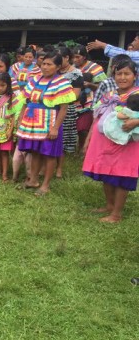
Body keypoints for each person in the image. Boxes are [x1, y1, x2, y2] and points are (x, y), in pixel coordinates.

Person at [82, 59, 139, 222]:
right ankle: (109, 205)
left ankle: (117, 214)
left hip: (127, 145)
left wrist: (136, 121)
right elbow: (97, 116)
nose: (122, 77)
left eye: (126, 74)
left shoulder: (137, 94)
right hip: (103, 141)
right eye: (118, 74)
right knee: (106, 172)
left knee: (122, 175)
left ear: (134, 76)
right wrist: (88, 140)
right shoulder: (109, 95)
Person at [16, 51, 76, 196]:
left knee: (49, 154)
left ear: (57, 67)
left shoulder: (61, 83)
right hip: (33, 123)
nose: (45, 67)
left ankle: (45, 185)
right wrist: (20, 120)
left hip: (50, 123)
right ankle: (33, 180)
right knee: (36, 151)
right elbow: (25, 102)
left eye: (49, 64)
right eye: (43, 63)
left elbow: (63, 108)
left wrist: (55, 128)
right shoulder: (34, 80)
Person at [56, 46, 84, 176]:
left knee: (62, 139)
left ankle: (59, 169)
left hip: (66, 109)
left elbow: (75, 95)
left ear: (67, 58)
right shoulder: (53, 70)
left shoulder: (76, 74)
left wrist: (56, 97)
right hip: (51, 109)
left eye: (59, 58)